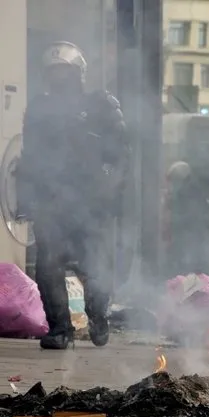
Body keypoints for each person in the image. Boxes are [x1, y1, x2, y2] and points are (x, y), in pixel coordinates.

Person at [16, 41, 130, 350]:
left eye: (64, 71)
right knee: (48, 266)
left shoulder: (102, 105)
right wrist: (26, 198)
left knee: (94, 265)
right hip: (51, 202)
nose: (58, 77)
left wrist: (112, 194)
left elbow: (119, 156)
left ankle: (97, 315)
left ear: (79, 72)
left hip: (91, 203)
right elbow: (29, 158)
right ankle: (60, 329)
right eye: (53, 72)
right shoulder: (39, 108)